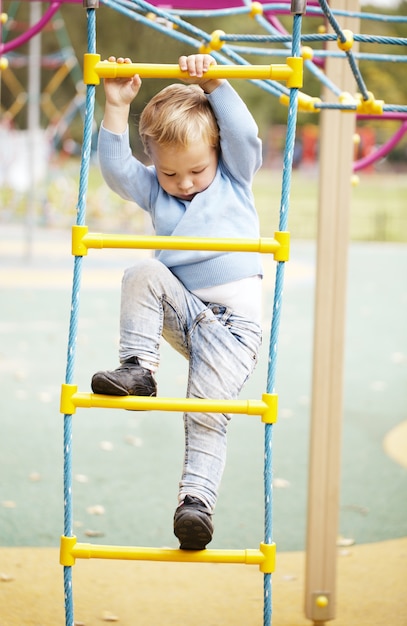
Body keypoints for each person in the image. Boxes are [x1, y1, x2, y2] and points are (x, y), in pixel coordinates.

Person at [91, 53, 263, 550]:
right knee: (143, 271)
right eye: (170, 174)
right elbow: (118, 170)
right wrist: (117, 105)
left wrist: (215, 83)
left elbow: (246, 136)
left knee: (205, 414)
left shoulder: (234, 177)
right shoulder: (157, 191)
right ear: (156, 167)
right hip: (186, 315)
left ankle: (196, 504)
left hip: (235, 332)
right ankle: (139, 367)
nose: (184, 184)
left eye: (195, 170)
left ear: (216, 155)